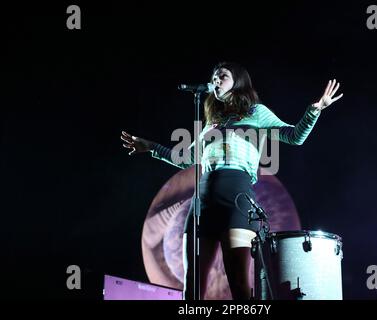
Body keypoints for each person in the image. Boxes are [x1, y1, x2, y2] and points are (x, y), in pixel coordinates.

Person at [121, 62, 343, 300]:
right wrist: (151, 147)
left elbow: (294, 136)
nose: (215, 81)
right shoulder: (211, 124)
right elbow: (187, 159)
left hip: (236, 199)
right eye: (213, 77)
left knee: (239, 282)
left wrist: (315, 110)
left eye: (222, 76)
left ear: (238, 81)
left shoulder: (256, 113)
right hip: (203, 202)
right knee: (193, 285)